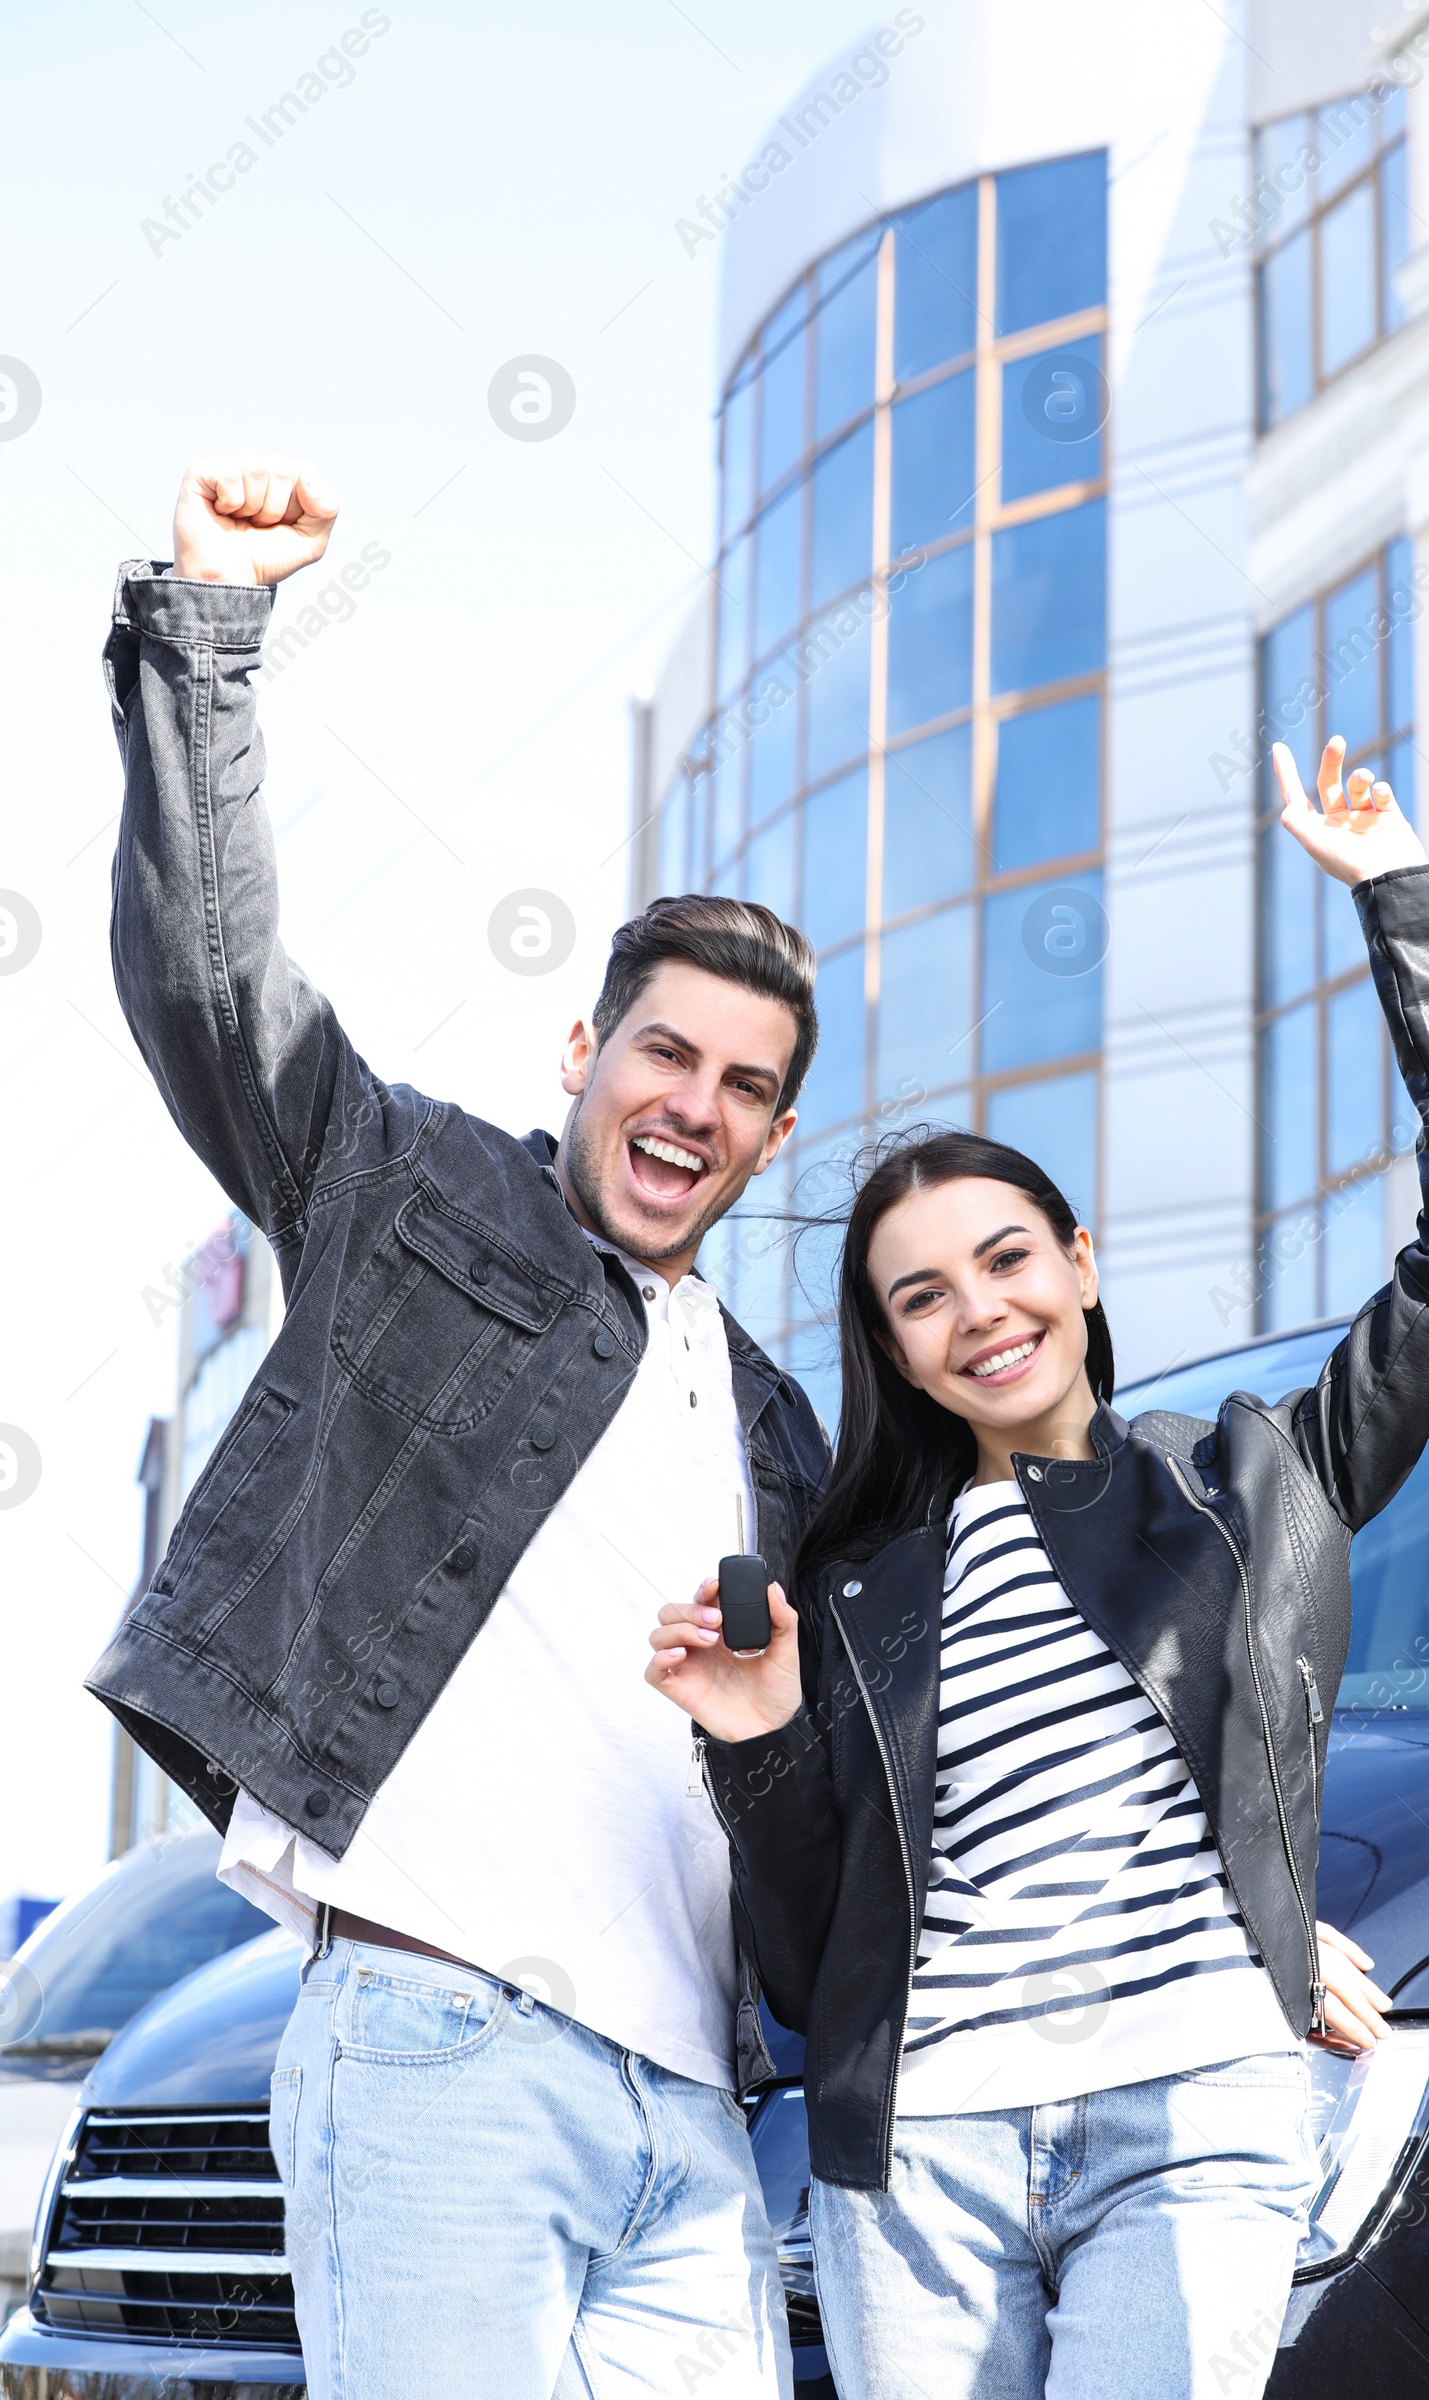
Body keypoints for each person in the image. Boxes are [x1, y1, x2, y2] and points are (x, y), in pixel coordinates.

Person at [646, 740, 1429, 2400]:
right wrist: (755, 1739)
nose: (977, 1310)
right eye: (921, 1297)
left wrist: (1402, 903)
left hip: (1193, 2111)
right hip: (921, 2153)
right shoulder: (855, 1583)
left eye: (1004, 1258)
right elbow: (800, 1964)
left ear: (1078, 1261)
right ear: (898, 1353)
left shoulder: (1255, 1476)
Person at [89, 460, 832, 2400]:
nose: (694, 1103)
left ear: (771, 1135)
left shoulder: (773, 1424)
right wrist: (211, 634)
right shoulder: (415, 1196)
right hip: (446, 2038)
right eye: (663, 1051)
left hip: (692, 2120)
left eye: (744, 1086)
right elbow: (212, 982)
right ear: (583, 1056)